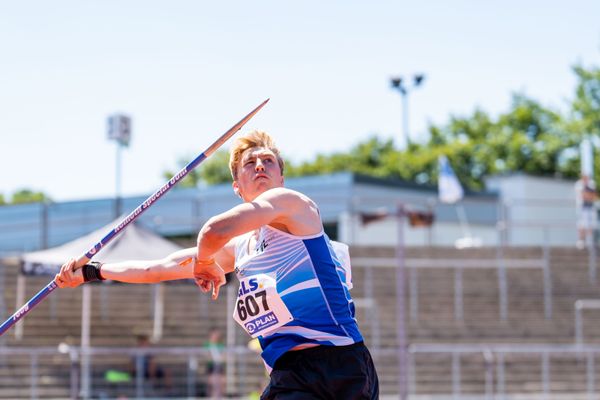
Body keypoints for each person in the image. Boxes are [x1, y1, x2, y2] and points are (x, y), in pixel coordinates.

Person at [57, 130, 379, 399]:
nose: (260, 166)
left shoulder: (294, 206)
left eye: (268, 161)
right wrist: (92, 271)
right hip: (289, 374)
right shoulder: (240, 249)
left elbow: (212, 232)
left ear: (282, 175)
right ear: (238, 187)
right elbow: (158, 269)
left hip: (342, 365)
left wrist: (205, 260)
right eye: (249, 164)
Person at [575, 174, 598, 249]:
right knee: (582, 225)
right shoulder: (579, 185)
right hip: (583, 209)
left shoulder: (591, 185)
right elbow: (583, 196)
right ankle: (582, 241)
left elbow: (593, 196)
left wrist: (588, 195)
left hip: (590, 208)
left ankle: (590, 242)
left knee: (591, 225)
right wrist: (587, 195)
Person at [203, 328, 226, 399]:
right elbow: (206, 355)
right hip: (211, 366)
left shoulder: (220, 345)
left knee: (222, 382)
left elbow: (224, 355)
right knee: (211, 383)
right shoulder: (207, 344)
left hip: (219, 365)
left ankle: (220, 397)